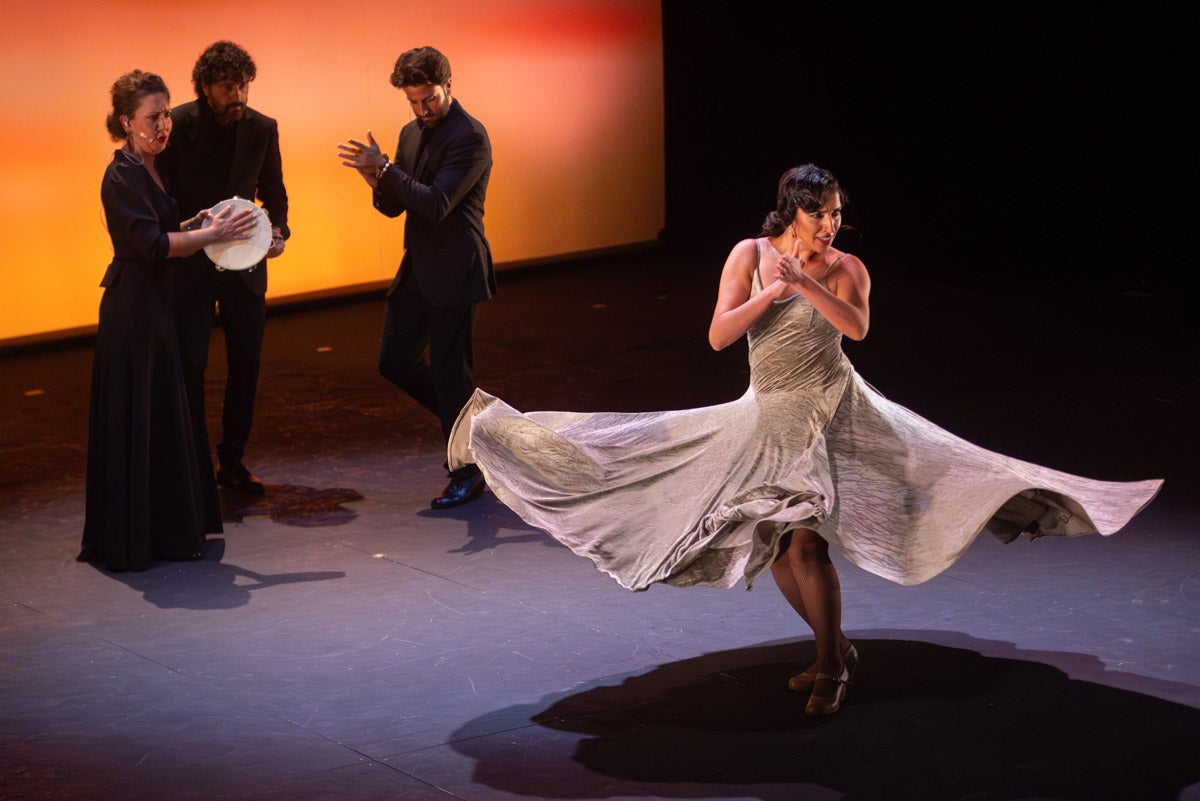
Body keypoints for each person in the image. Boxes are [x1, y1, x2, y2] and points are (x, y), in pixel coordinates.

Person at [444, 164, 1163, 715]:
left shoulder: (849, 268)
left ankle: (832, 662)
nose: (832, 227)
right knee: (776, 538)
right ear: (793, 211)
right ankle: (834, 645)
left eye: (839, 216)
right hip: (769, 413)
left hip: (835, 408)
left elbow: (856, 330)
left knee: (812, 537)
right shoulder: (750, 253)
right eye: (822, 216)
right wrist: (772, 290)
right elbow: (721, 334)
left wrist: (810, 283)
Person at [79, 70, 258, 572]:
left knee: (163, 413)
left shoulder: (152, 168)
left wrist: (200, 226)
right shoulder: (121, 175)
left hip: (160, 304)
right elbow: (151, 247)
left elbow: (163, 231)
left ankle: (166, 528)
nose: (162, 126)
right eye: (151, 118)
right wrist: (207, 235)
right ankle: (144, 534)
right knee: (147, 413)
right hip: (135, 312)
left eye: (165, 115)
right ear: (125, 122)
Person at [337, 45, 495, 509]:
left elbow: (437, 204)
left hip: (457, 267)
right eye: (414, 102)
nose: (422, 110)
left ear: (449, 85)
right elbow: (394, 205)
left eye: (430, 100)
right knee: (394, 360)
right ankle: (474, 421)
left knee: (450, 372)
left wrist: (388, 171)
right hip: (419, 265)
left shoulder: (471, 137)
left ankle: (467, 468)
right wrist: (374, 176)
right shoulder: (410, 132)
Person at [158, 40, 290, 495]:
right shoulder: (176, 124)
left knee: (245, 365)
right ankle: (191, 461)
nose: (238, 95)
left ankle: (232, 459)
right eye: (227, 87)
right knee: (190, 365)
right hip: (191, 266)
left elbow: (275, 194)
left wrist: (279, 235)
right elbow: (162, 196)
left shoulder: (262, 128)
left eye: (244, 86)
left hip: (245, 268)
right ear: (205, 87)